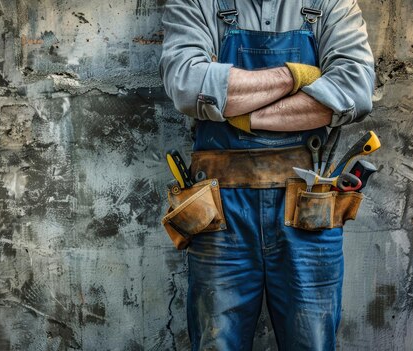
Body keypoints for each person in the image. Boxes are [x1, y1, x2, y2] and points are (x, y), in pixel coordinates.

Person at [159, 0, 375, 350]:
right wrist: (298, 77)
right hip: (219, 216)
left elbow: (353, 89)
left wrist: (239, 113)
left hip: (308, 208)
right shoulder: (196, 2)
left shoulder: (331, 3)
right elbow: (187, 84)